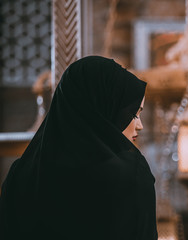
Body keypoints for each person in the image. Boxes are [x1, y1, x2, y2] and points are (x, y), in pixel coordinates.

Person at [0, 56, 158, 239]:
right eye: (134, 114)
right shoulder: (131, 177)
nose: (140, 126)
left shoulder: (19, 176)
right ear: (104, 110)